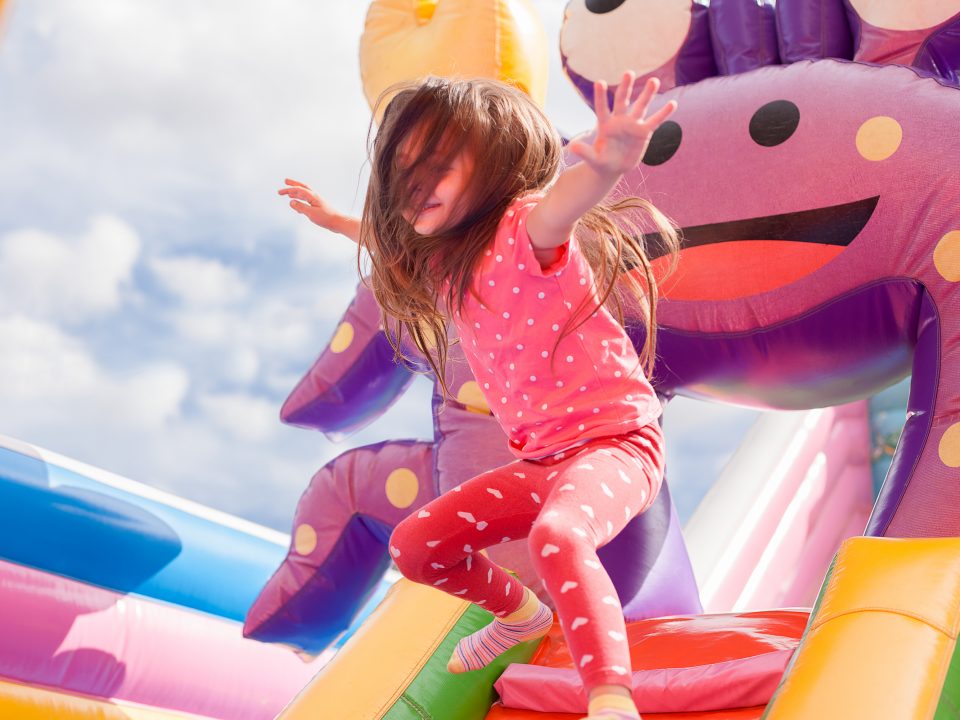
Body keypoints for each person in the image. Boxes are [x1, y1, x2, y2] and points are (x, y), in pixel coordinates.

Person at [280, 72, 678, 720]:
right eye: (404, 170)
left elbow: (562, 206)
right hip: (541, 461)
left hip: (616, 443)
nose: (417, 185)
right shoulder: (444, 264)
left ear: (496, 165)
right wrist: (333, 220)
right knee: (416, 546)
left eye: (439, 165)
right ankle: (521, 615)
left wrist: (604, 165)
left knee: (559, 535)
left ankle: (610, 696)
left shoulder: (524, 230)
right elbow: (386, 240)